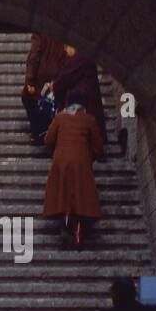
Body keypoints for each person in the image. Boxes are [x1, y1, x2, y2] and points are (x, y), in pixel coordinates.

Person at [43, 92, 105, 249]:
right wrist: (89, 156)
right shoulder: (89, 119)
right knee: (80, 197)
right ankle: (78, 234)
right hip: (81, 162)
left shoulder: (60, 118)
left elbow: (48, 140)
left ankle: (64, 227)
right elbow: (98, 147)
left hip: (61, 162)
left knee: (64, 194)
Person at [50, 45, 107, 143]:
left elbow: (67, 76)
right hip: (86, 98)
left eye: (66, 47)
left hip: (84, 99)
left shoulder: (81, 58)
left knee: (84, 124)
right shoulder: (84, 57)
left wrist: (54, 86)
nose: (65, 50)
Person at [22, 33, 71, 140]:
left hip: (42, 76)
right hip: (60, 74)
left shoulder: (40, 30)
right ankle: (50, 129)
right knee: (52, 102)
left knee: (29, 98)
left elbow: (34, 56)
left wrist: (30, 80)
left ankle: (39, 131)